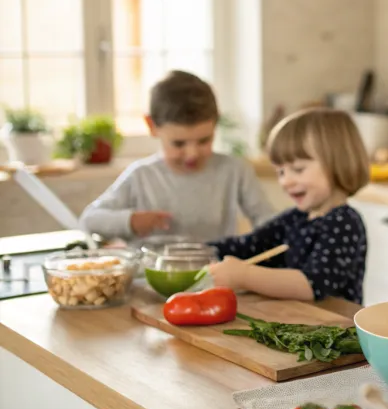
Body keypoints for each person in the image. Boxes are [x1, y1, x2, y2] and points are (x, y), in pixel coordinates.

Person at [79, 70, 273, 242]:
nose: (192, 154)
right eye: (179, 144)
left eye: (204, 140)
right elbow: (90, 219)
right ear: (152, 126)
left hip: (213, 275)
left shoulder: (234, 170)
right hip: (149, 277)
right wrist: (130, 221)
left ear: (216, 123)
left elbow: (267, 220)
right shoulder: (141, 175)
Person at [206, 107, 370, 303]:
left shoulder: (344, 223)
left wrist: (244, 276)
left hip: (336, 331)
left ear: (338, 164)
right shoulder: (295, 218)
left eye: (298, 169)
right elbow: (248, 246)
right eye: (281, 172)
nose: (285, 181)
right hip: (296, 324)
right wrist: (199, 252)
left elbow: (312, 284)